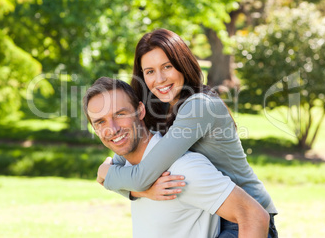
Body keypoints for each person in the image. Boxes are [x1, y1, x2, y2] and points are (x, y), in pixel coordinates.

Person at [98, 29, 278, 237]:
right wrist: (139, 190)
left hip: (245, 217)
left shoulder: (199, 107)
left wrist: (106, 175)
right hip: (214, 212)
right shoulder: (161, 109)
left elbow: (137, 176)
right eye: (149, 72)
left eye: (167, 66)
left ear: (182, 64)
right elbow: (128, 165)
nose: (160, 79)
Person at [83, 77, 269, 238]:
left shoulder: (183, 169)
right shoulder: (125, 167)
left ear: (140, 111)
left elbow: (254, 217)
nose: (113, 129)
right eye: (100, 122)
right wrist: (142, 191)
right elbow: (104, 175)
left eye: (120, 114)